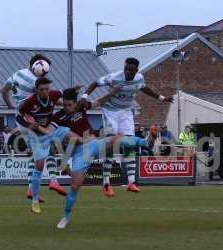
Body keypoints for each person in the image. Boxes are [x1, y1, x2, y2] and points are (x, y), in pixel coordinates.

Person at [52, 88, 157, 229]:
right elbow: (51, 132)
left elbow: (98, 102)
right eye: (64, 105)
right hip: (79, 153)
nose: (66, 108)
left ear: (75, 103)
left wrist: (112, 93)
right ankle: (66, 216)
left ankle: (146, 142)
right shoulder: (58, 117)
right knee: (75, 186)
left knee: (115, 139)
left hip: (94, 144)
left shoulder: (81, 106)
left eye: (69, 105)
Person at [81, 57, 173, 197]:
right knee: (111, 145)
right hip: (110, 111)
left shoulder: (139, 78)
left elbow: (144, 88)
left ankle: (131, 182)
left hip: (126, 112)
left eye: (131, 70)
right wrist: (84, 96)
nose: (128, 72)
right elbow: (95, 83)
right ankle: (106, 184)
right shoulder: (115, 77)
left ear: (136, 70)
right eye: (126, 69)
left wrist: (162, 98)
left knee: (130, 144)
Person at [0, 53, 65, 201]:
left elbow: (3, 90)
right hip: (32, 119)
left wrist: (10, 105)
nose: (46, 73)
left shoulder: (16, 74)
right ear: (38, 66)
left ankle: (31, 188)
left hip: (20, 118)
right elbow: (51, 98)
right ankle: (53, 181)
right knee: (48, 148)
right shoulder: (34, 81)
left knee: (36, 153)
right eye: (46, 70)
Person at [16, 77, 80, 214]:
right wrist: (28, 124)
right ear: (36, 90)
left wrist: (74, 89)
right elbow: (18, 115)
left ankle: (64, 165)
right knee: (39, 164)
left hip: (50, 129)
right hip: (35, 134)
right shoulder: (30, 102)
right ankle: (34, 200)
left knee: (72, 136)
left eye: (47, 89)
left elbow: (64, 92)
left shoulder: (54, 95)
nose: (45, 92)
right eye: (42, 90)